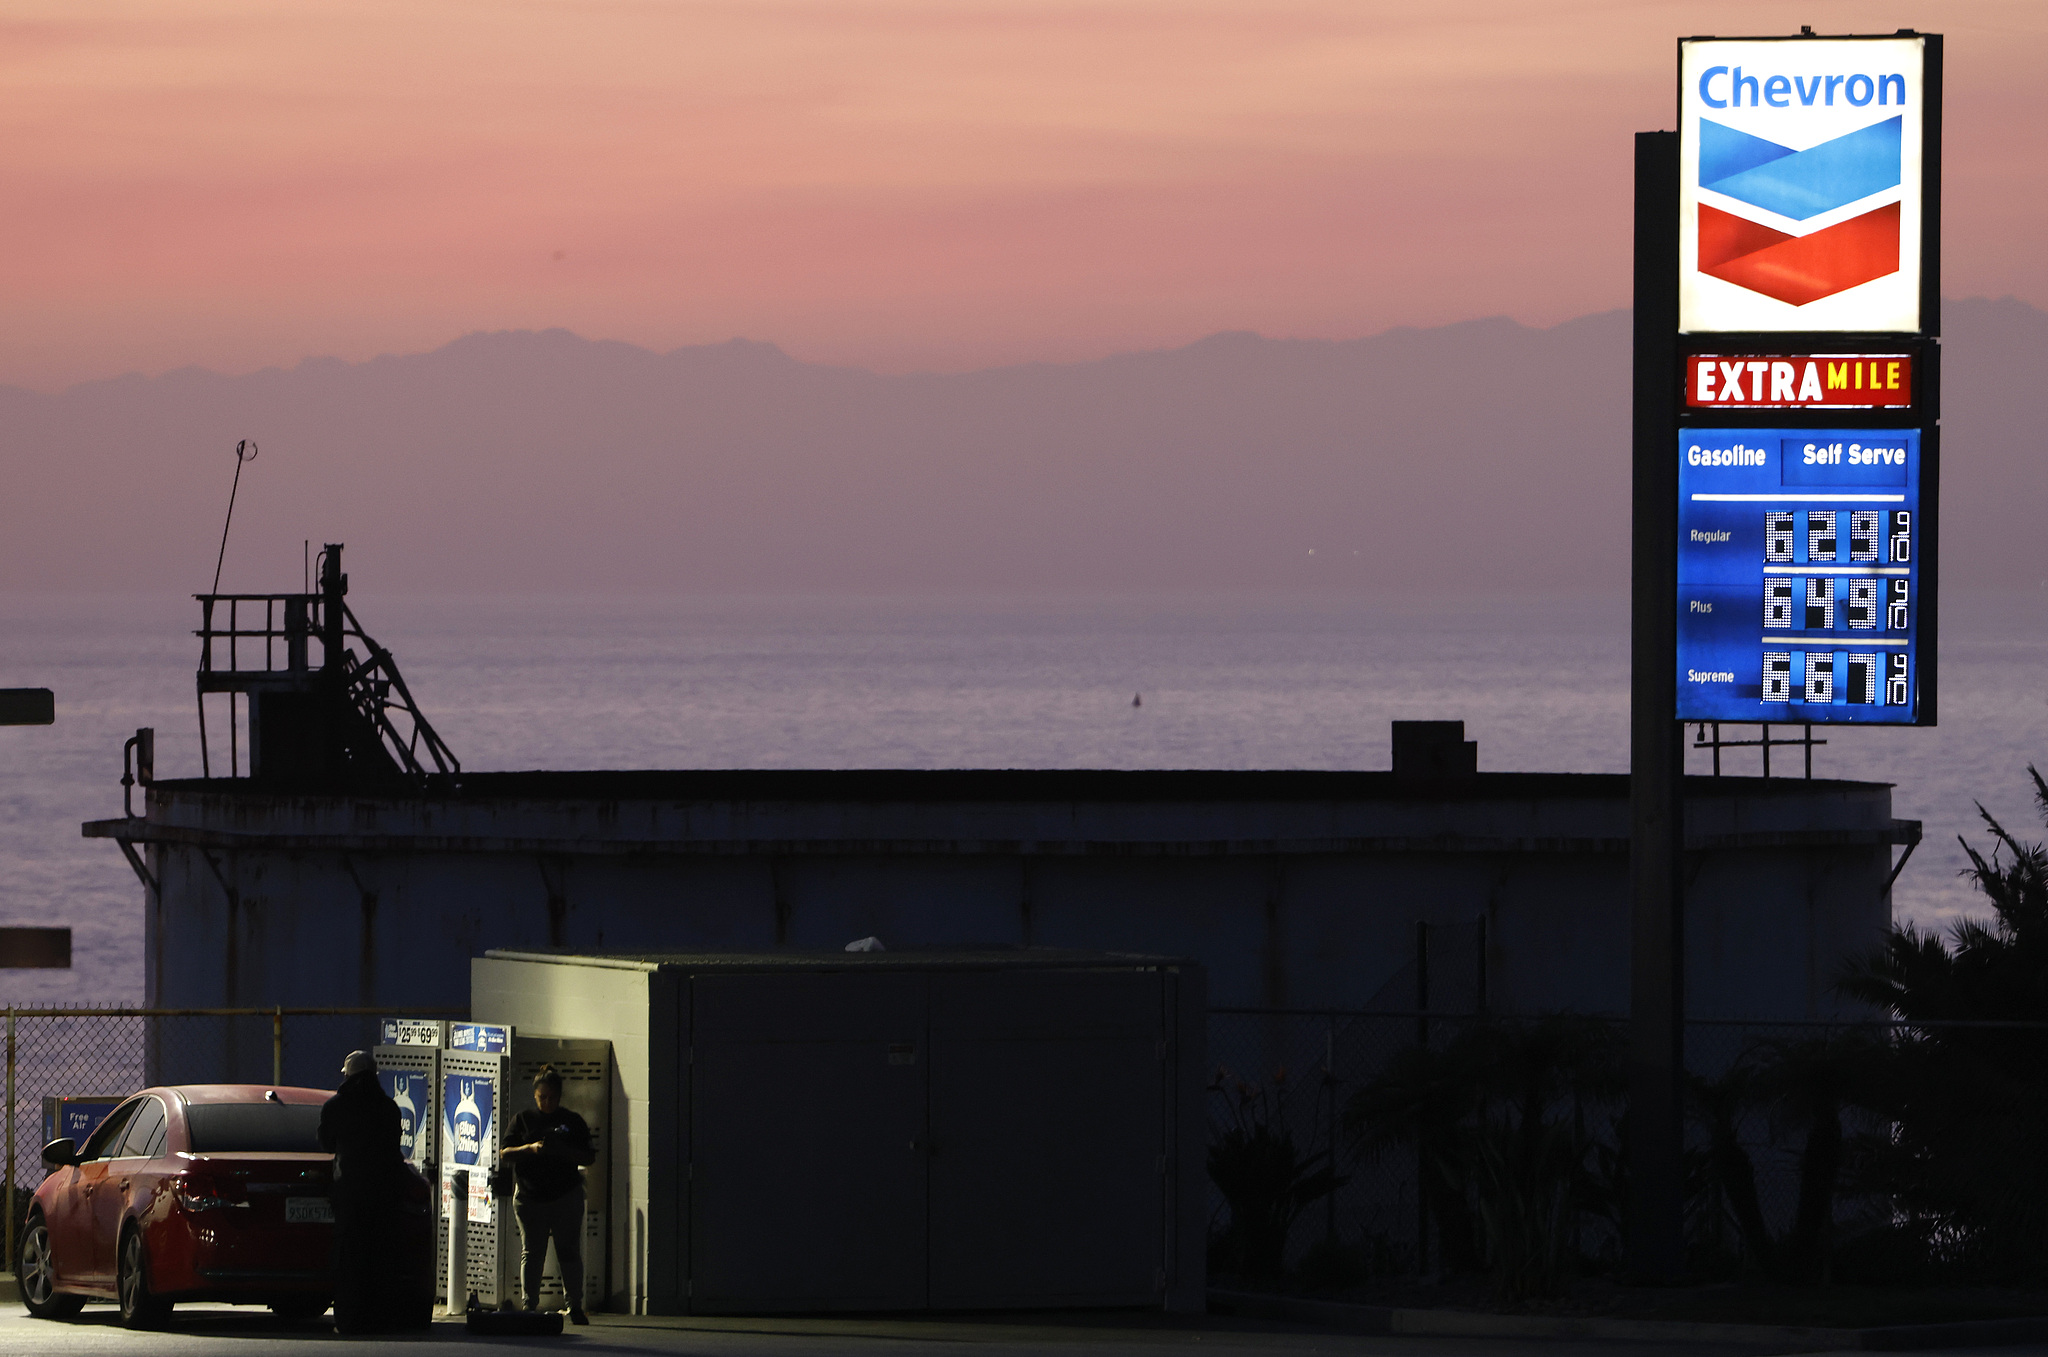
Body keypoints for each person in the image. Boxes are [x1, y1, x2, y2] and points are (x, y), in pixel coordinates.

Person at [318, 1049, 412, 1333]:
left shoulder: (337, 1106)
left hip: (351, 1193)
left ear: (349, 1075)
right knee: (382, 1256)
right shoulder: (389, 1107)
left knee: (350, 1258)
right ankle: (380, 1319)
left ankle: (349, 1320)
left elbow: (327, 1142)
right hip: (385, 1193)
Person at [502, 1066, 597, 1323]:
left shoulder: (572, 1122)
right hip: (530, 1196)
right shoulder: (523, 1120)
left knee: (568, 1250)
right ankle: (529, 1305)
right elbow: (505, 1153)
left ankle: (574, 1305)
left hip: (565, 1195)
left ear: (560, 1096)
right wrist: (531, 1149)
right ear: (535, 1096)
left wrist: (562, 1150)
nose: (547, 1102)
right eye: (542, 1097)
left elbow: (589, 1156)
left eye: (552, 1098)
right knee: (532, 1252)